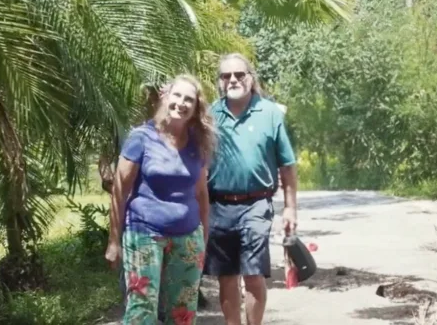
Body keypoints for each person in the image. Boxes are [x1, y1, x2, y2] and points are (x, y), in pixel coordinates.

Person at [104, 74, 216, 324]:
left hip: (188, 238)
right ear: (166, 97)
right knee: (141, 313)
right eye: (177, 95)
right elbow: (120, 191)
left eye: (189, 99)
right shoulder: (141, 137)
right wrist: (113, 241)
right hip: (144, 234)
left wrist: (204, 239)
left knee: (183, 313)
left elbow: (201, 194)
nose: (181, 103)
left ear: (196, 107)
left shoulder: (198, 144)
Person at [204, 53, 299, 325]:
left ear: (250, 78)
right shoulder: (210, 115)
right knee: (227, 277)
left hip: (257, 204)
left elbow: (287, 165)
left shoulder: (270, 113)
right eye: (226, 76)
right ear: (220, 81)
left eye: (239, 74)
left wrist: (290, 208)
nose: (233, 80)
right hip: (219, 205)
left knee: (253, 273)